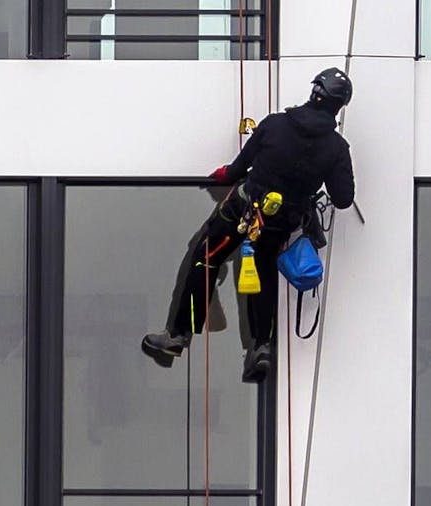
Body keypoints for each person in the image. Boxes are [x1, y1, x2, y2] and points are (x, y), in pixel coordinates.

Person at [141, 67, 357, 383]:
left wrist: (220, 175)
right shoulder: (336, 149)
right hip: (277, 227)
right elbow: (343, 199)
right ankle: (260, 347)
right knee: (263, 275)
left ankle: (178, 335)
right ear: (338, 107)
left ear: (313, 93)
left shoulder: (275, 125)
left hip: (240, 214)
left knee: (206, 259)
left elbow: (237, 170)